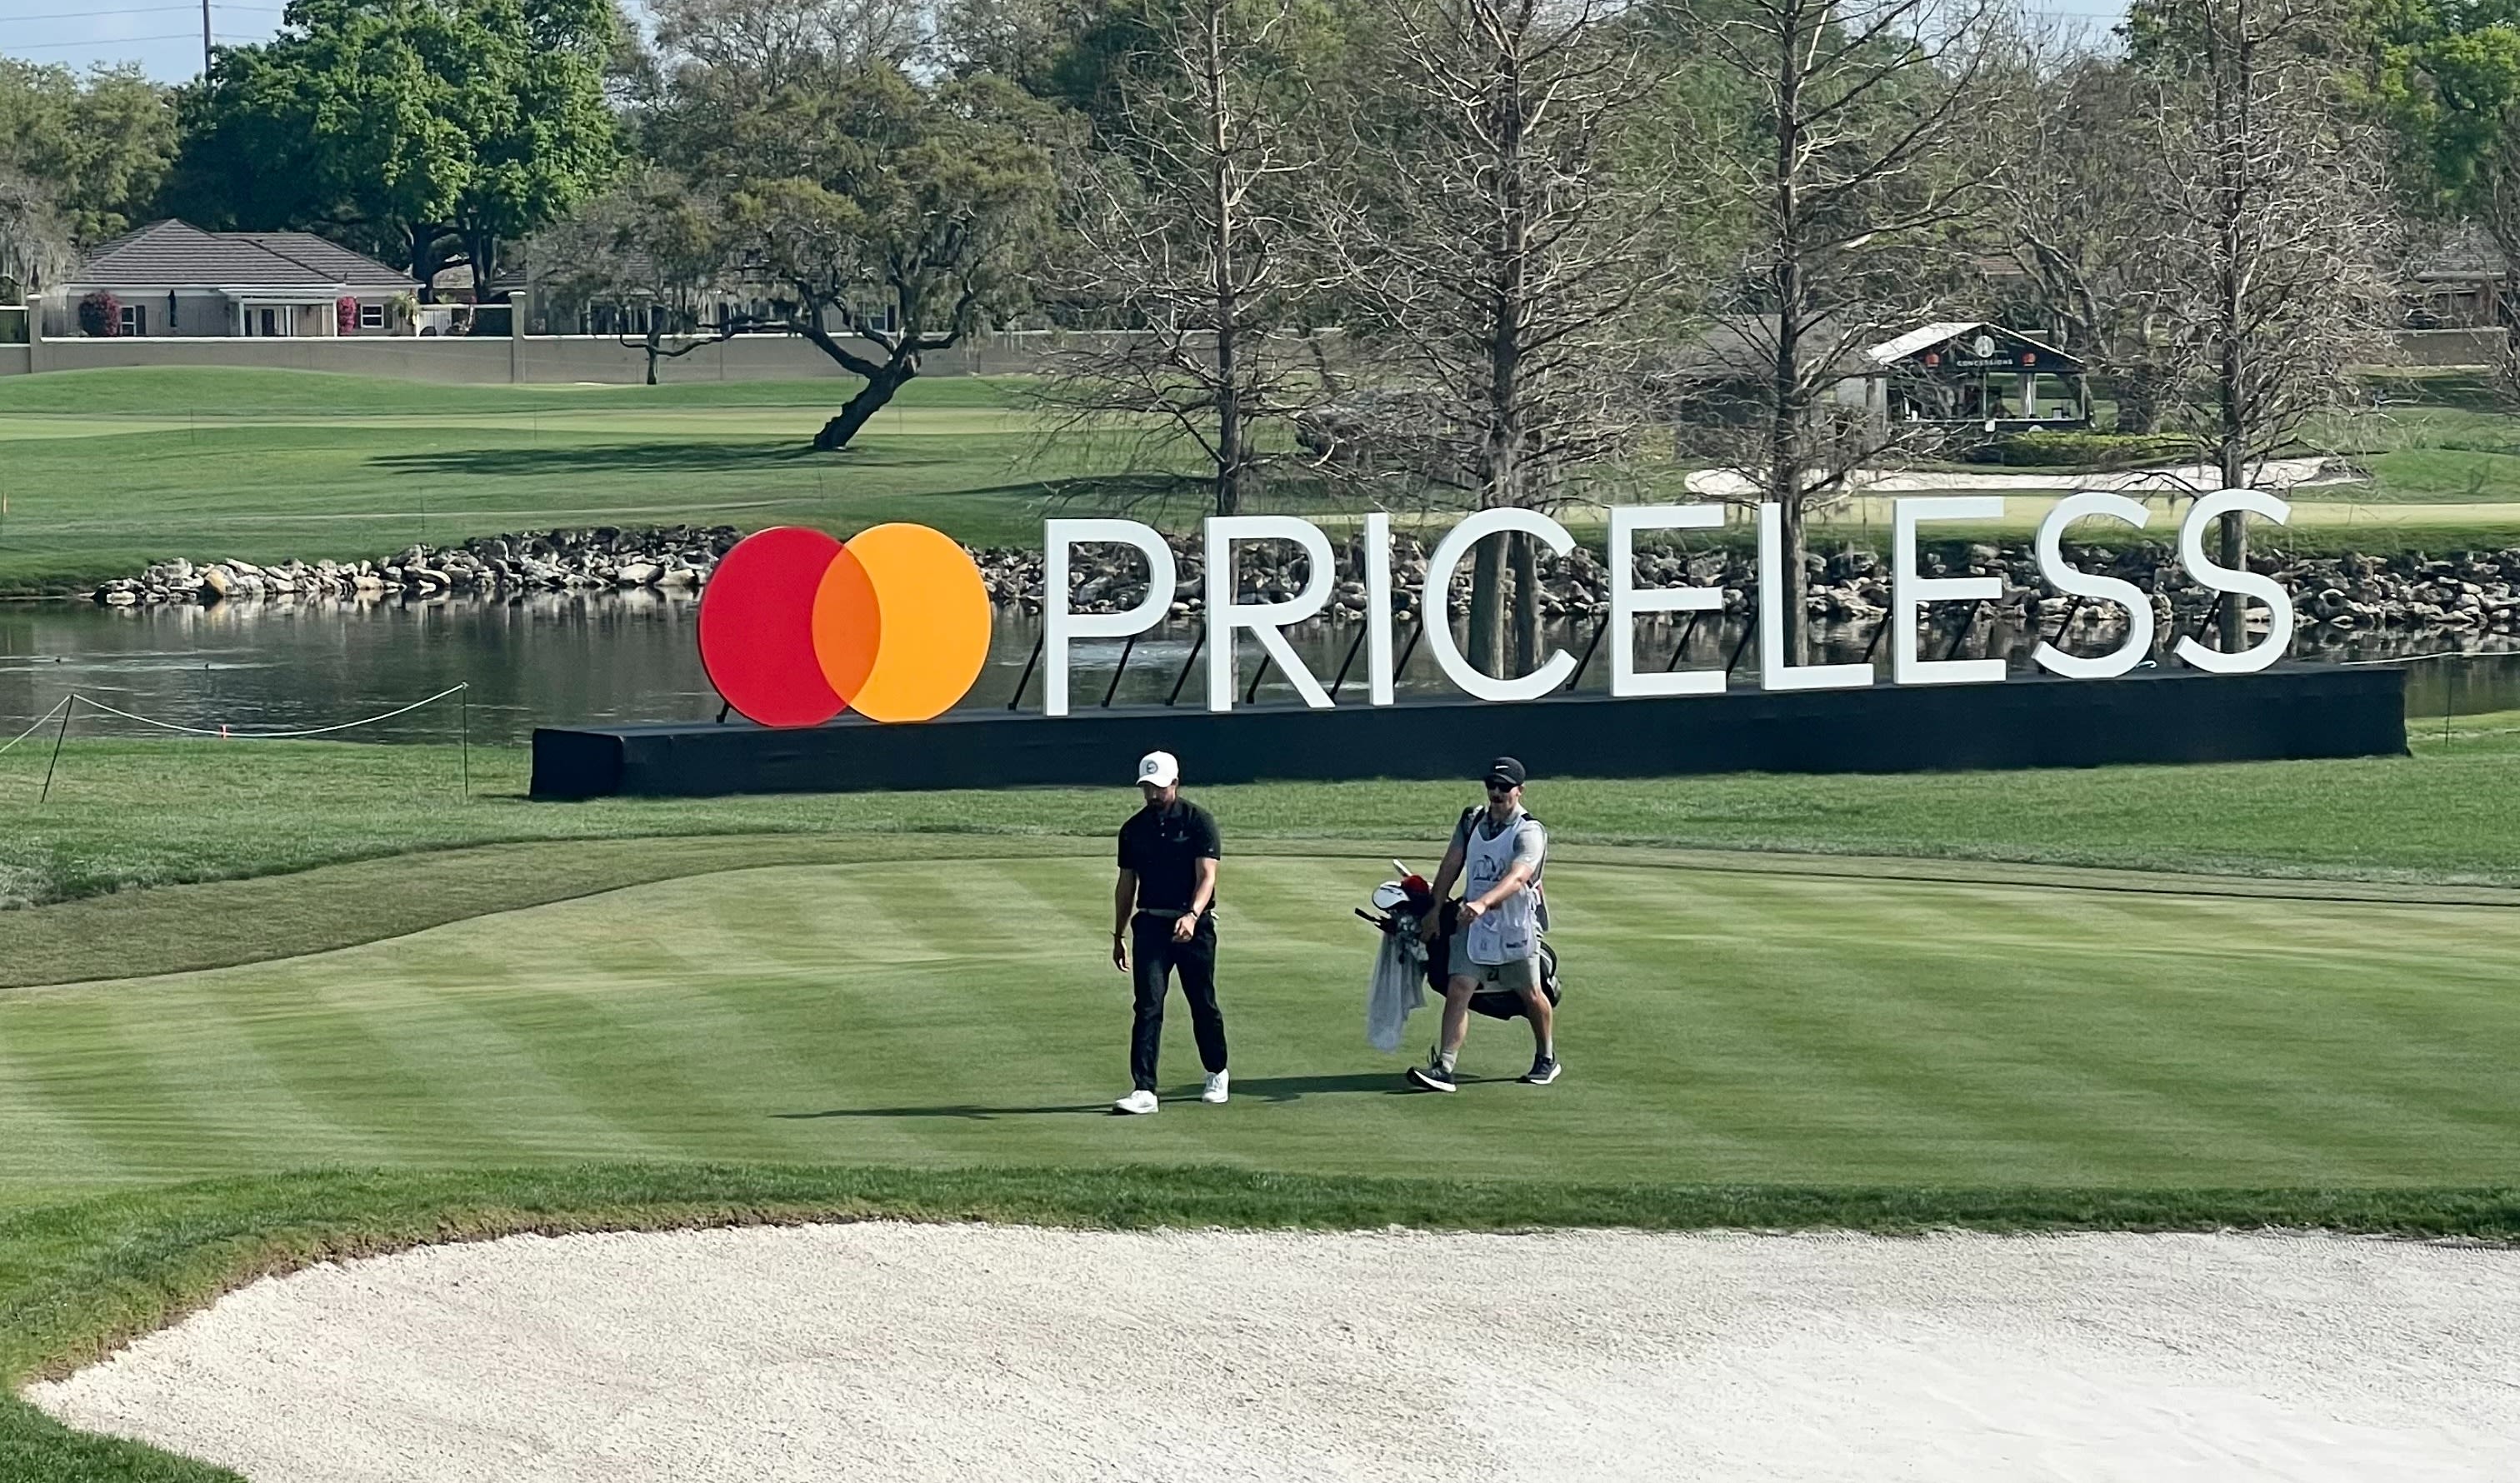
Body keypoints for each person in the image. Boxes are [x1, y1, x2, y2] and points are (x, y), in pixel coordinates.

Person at [1408, 756, 1558, 1092]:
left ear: (1520, 791)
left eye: (1504, 787)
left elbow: (1519, 877)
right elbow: (1452, 863)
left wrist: (1483, 902)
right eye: (1492, 785)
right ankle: (1444, 1067)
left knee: (1531, 992)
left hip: (1514, 925)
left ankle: (1546, 1057)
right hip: (1471, 922)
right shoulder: (1472, 820)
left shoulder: (1529, 831)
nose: (1496, 792)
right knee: (1459, 986)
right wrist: (1435, 908)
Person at [1111, 750, 1228, 1114]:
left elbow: (1207, 876)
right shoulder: (1133, 829)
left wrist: (1192, 915)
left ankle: (1216, 1071)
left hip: (1196, 928)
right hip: (1150, 926)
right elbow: (1126, 884)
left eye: (1159, 787)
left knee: (1202, 1003)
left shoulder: (1198, 822)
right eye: (1147, 787)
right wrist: (1118, 935)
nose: (1152, 795)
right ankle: (1144, 1090)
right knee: (1147, 1006)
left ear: (1175, 783)